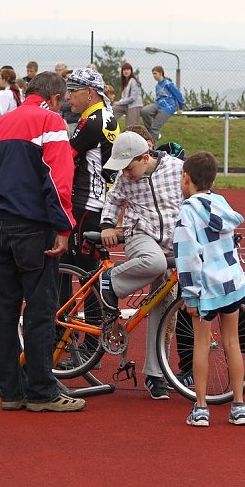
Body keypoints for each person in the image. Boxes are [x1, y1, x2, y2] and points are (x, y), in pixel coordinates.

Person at [0, 71, 85, 412]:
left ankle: (10, 390)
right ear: (54, 98)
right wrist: (64, 228)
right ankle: (40, 391)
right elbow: (59, 178)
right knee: (39, 311)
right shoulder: (51, 122)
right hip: (34, 228)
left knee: (4, 312)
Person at [96, 131, 181, 399]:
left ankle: (156, 374)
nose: (126, 173)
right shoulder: (126, 177)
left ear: (145, 157)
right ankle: (110, 281)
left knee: (163, 310)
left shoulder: (178, 169)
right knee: (153, 262)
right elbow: (113, 201)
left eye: (129, 167)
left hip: (172, 243)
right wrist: (108, 225)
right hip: (140, 236)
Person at [174, 151, 245, 426]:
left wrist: (190, 294)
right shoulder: (221, 203)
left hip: (206, 287)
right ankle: (239, 405)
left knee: (202, 344)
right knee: (233, 342)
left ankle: (201, 406)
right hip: (231, 282)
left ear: (186, 178)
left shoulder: (187, 212)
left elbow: (187, 257)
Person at [63, 67, 120, 277]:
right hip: (97, 202)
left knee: (80, 270)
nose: (69, 97)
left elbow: (66, 157)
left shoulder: (92, 121)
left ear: (89, 92)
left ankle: (84, 311)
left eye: (73, 91)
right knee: (77, 266)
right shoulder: (105, 115)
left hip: (86, 203)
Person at [140, 66, 185, 142]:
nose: (154, 76)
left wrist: (180, 108)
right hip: (158, 105)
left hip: (167, 107)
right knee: (144, 111)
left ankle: (153, 147)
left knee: (155, 128)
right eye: (153, 74)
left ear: (161, 73)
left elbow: (178, 95)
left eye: (155, 74)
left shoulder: (168, 84)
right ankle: (152, 133)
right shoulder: (157, 85)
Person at [112, 62, 143, 127]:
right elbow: (124, 98)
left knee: (130, 128)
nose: (126, 71)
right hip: (126, 105)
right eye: (124, 70)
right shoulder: (125, 82)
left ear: (131, 71)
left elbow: (133, 98)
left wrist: (118, 103)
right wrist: (118, 103)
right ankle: (109, 125)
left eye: (128, 69)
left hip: (134, 106)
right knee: (112, 110)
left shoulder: (133, 81)